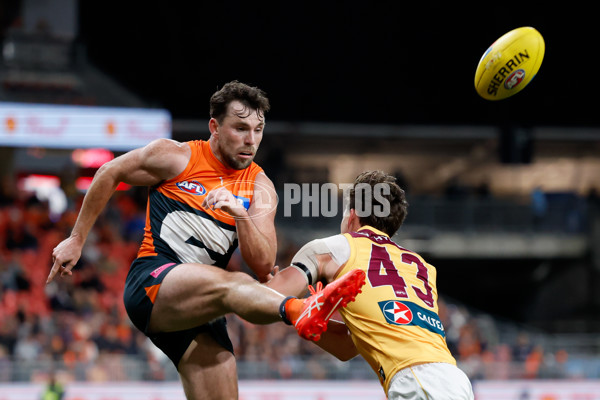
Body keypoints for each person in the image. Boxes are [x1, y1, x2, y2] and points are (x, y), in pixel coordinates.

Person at [46, 80, 366, 400]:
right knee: (232, 282)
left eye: (258, 130)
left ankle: (315, 312)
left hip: (203, 311)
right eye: (240, 128)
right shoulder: (175, 157)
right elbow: (109, 172)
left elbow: (263, 263)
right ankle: (300, 310)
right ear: (214, 126)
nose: (250, 140)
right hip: (154, 283)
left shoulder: (260, 186)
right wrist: (76, 238)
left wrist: (240, 213)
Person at [269, 170, 474, 400]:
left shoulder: (334, 248)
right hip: (452, 378)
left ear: (352, 215)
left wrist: (280, 296)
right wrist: (309, 318)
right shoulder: (422, 267)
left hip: (415, 380)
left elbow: (271, 297)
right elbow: (347, 348)